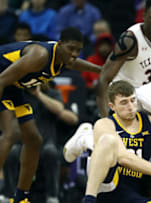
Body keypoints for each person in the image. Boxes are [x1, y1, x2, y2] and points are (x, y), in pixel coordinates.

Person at [0, 27, 101, 203]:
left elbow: (75, 63)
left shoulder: (62, 57)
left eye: (78, 50)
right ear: (60, 44)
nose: (74, 54)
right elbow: (2, 80)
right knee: (12, 133)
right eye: (71, 49)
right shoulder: (40, 56)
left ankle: (21, 198)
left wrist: (100, 69)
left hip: (14, 87)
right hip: (2, 82)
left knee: (34, 140)